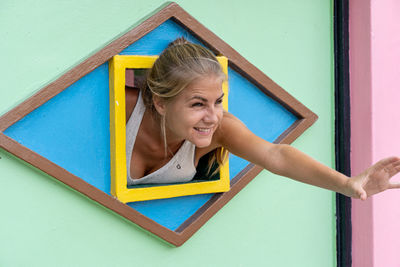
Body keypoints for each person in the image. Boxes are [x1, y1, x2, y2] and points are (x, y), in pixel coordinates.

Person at [124, 37, 400, 199]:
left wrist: (346, 184)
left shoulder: (220, 129)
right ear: (160, 103)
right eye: (198, 104)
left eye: (218, 102)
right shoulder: (125, 106)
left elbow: (276, 155)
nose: (211, 117)